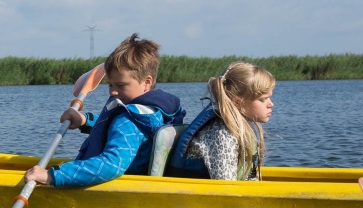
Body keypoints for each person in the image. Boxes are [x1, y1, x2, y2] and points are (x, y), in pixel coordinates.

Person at [24, 33, 186, 187]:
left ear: (146, 82)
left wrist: (52, 176)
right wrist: (85, 121)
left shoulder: (129, 121)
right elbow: (118, 131)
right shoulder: (155, 112)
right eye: (110, 84)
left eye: (121, 85)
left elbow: (111, 164)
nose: (113, 92)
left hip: (119, 186)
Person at [167, 61, 275, 181]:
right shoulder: (222, 133)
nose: (271, 104)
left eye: (270, 97)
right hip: (192, 196)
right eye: (263, 99)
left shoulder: (240, 128)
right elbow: (225, 185)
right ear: (238, 102)